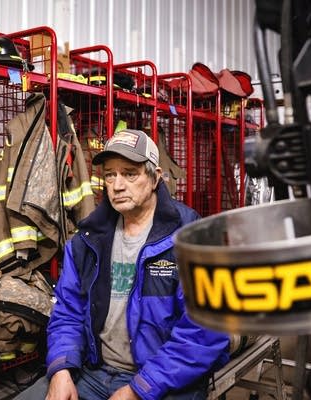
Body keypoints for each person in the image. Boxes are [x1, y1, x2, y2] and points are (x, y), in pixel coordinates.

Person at [16, 128, 230, 400]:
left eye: (130, 173)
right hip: (94, 372)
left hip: (164, 380)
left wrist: (139, 389)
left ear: (155, 179)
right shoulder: (87, 241)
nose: (117, 185)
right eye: (110, 175)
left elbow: (204, 333)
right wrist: (61, 368)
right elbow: (68, 313)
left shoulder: (192, 240)